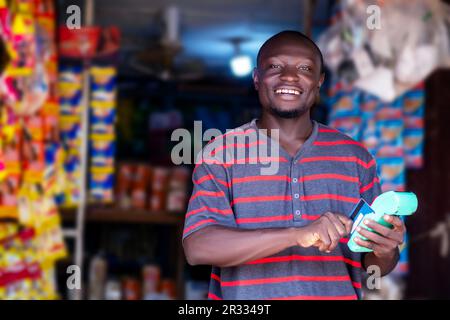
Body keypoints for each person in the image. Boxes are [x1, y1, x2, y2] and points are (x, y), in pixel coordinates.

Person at [182, 30, 406, 300]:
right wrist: (298, 234)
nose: (289, 76)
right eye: (275, 66)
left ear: (319, 81)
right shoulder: (221, 153)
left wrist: (385, 250)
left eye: (305, 68)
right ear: (256, 78)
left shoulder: (355, 158)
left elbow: (371, 268)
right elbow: (198, 247)